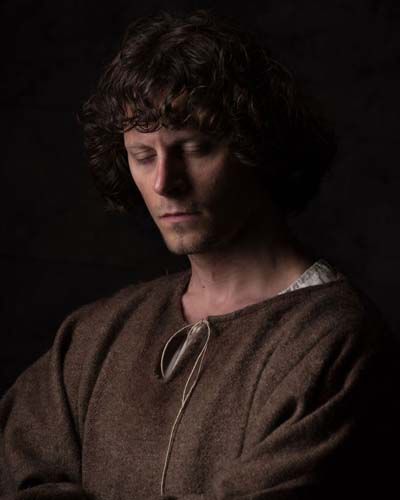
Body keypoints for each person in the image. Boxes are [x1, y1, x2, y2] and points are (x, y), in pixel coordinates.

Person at [1, 9, 398, 500]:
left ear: (258, 148)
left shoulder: (333, 345)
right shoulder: (92, 338)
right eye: (143, 155)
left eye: (195, 148)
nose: (164, 183)